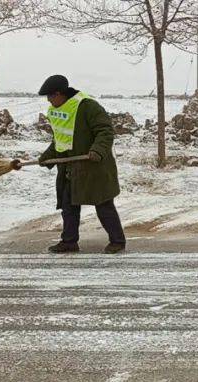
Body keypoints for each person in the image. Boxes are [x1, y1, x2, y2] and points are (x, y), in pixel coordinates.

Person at [16, 75, 126, 254]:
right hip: (70, 167)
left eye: (50, 96)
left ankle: (117, 241)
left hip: (93, 165)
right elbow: (60, 138)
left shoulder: (87, 106)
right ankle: (69, 242)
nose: (49, 101)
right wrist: (47, 157)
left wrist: (97, 150)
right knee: (68, 206)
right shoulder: (57, 111)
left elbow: (105, 131)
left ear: (59, 94)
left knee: (103, 205)